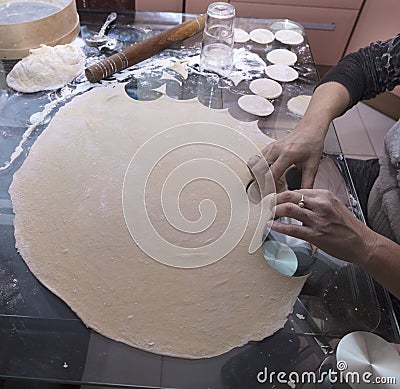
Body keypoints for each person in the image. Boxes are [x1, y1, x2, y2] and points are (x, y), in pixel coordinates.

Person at [248, 33, 400, 299]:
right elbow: (367, 64)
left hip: (391, 270)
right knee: (273, 181)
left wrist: (366, 244)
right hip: (381, 184)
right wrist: (310, 128)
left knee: (314, 295)